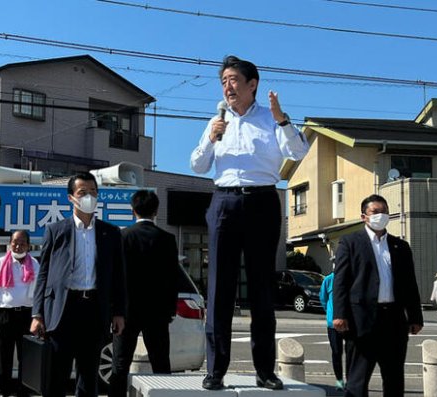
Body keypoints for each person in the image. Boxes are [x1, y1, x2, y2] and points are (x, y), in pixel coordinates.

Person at [190, 55, 310, 390]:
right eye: (223, 81)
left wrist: (282, 119)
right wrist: (211, 138)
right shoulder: (217, 120)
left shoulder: (271, 119)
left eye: (233, 80)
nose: (227, 86)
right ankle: (215, 371)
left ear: (252, 84)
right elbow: (198, 166)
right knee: (219, 289)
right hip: (224, 201)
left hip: (262, 201)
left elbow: (297, 152)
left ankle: (265, 370)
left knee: (261, 287)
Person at [30, 172, 127, 397]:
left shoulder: (110, 233)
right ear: (71, 198)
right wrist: (37, 314)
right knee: (56, 375)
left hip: (93, 309)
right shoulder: (56, 231)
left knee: (88, 376)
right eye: (82, 192)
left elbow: (118, 277)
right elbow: (43, 274)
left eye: (93, 192)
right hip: (62, 310)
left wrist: (119, 312)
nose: (89, 197)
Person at [333, 194, 423, 397]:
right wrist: (339, 314)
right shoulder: (350, 242)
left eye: (384, 211)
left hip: (394, 319)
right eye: (375, 212)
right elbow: (341, 281)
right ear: (364, 216)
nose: (380, 215)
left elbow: (410, 284)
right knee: (358, 379)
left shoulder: (400, 246)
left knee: (394, 378)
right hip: (361, 320)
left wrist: (415, 316)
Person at [108, 190, 179, 397]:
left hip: (127, 311)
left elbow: (115, 277)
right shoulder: (167, 239)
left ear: (133, 211)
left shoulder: (122, 236)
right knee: (161, 363)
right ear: (156, 211)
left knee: (120, 364)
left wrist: (115, 309)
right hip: (157, 312)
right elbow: (172, 278)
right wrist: (170, 309)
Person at [0, 229, 39, 397]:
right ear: (10, 244)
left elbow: (40, 292)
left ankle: (25, 392)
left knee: (27, 357)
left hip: (27, 314)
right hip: (5, 315)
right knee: (4, 357)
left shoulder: (35, 264)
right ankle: (3, 392)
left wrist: (38, 316)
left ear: (28, 245)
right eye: (15, 242)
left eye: (22, 243)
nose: (18, 246)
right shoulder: (0, 262)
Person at [319, 264, 349, 391]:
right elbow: (323, 298)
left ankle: (351, 380)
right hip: (333, 324)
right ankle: (339, 380)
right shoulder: (328, 279)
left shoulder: (351, 278)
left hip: (349, 323)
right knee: (337, 352)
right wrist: (329, 313)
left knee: (351, 353)